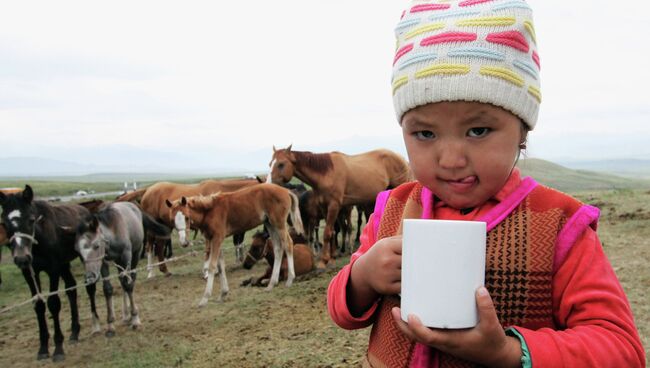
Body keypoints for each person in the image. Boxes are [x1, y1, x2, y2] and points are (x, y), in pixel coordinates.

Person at [327, 1, 646, 367]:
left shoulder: (560, 227)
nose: (450, 159)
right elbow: (340, 308)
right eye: (425, 133)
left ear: (522, 130)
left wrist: (508, 352)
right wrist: (362, 277)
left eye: (478, 130)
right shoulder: (391, 210)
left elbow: (622, 350)